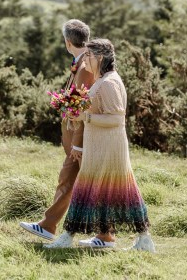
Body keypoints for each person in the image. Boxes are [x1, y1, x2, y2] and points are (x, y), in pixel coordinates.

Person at [45, 38, 155, 251]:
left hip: (108, 148)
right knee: (115, 191)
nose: (85, 60)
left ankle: (67, 236)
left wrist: (85, 117)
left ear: (101, 57)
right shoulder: (104, 80)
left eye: (89, 56)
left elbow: (117, 119)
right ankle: (141, 239)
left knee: (90, 189)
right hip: (101, 146)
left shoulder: (109, 83)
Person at [19, 19, 94, 241]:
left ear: (67, 42)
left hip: (81, 138)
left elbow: (82, 106)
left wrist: (77, 142)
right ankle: (49, 225)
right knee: (67, 180)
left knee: (89, 183)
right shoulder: (82, 61)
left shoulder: (86, 66)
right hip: (76, 138)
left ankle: (105, 233)